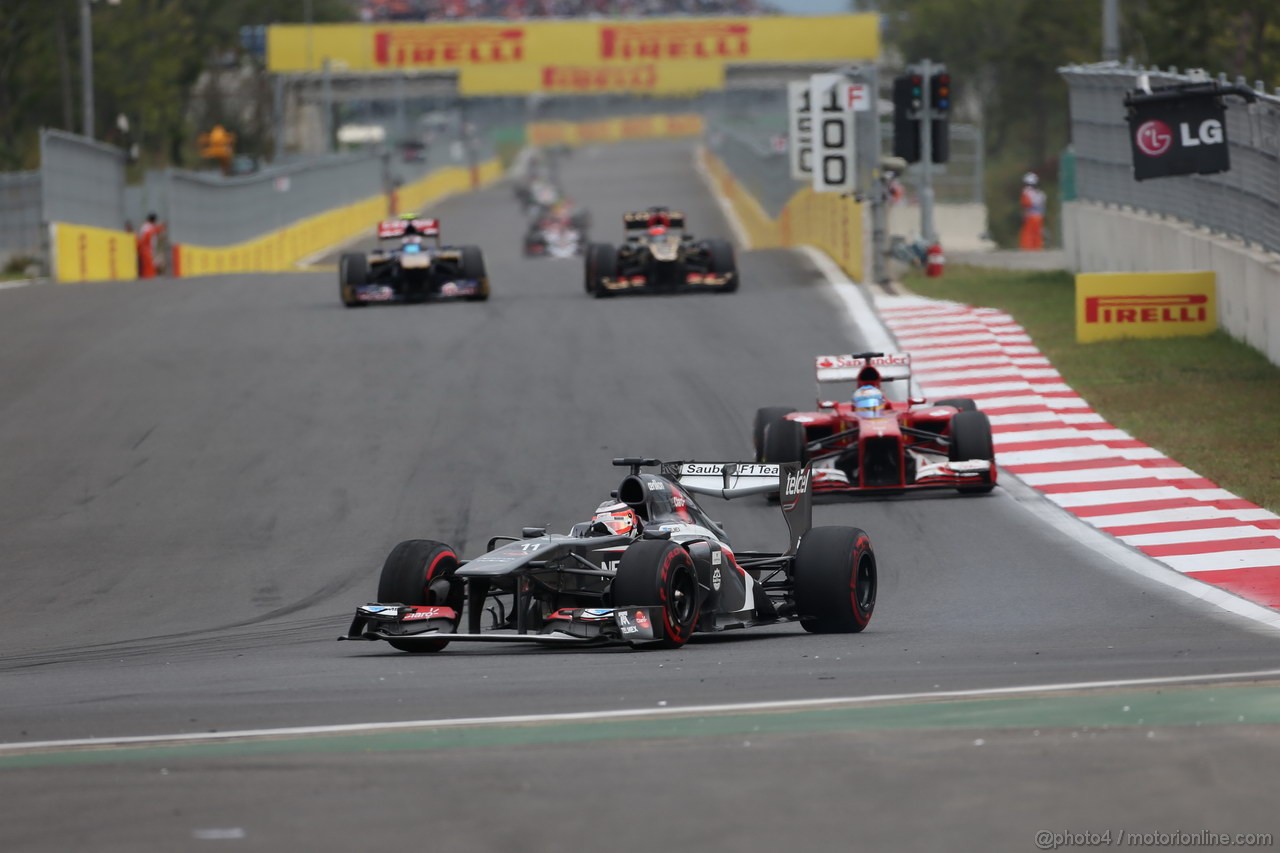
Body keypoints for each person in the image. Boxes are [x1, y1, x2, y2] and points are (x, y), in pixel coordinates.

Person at [1019, 172, 1046, 251]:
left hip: (1030, 216)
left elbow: (1026, 204)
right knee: (1037, 234)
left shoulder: (1026, 192)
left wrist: (1024, 215)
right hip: (1039, 216)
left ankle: (1028, 249)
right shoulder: (1041, 193)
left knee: (1028, 233)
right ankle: (1037, 248)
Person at [136, 213, 165, 278]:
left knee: (150, 267)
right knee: (148, 270)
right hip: (146, 249)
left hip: (148, 249)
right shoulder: (147, 227)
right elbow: (147, 236)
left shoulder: (148, 226)